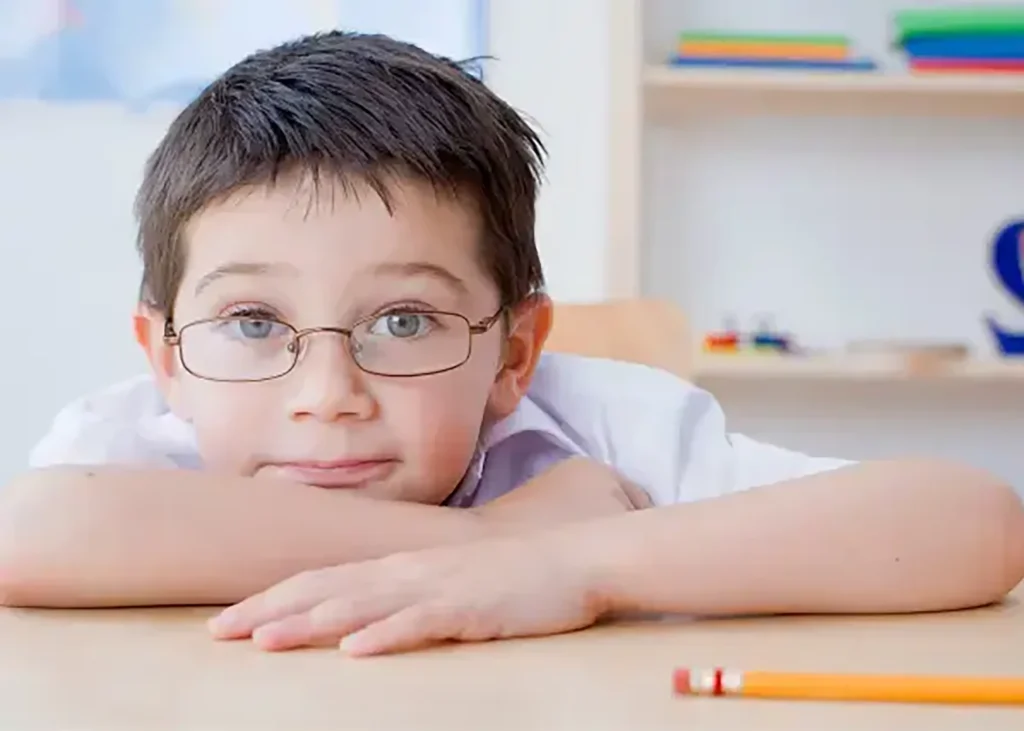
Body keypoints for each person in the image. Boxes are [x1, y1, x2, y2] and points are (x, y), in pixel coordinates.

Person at [1, 31, 1021, 656]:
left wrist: (578, 568)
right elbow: (29, 531)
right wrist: (492, 545)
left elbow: (968, 522)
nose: (327, 393)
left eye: (403, 321)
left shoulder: (606, 432)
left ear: (515, 351)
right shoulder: (135, 444)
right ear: (166, 351)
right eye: (253, 323)